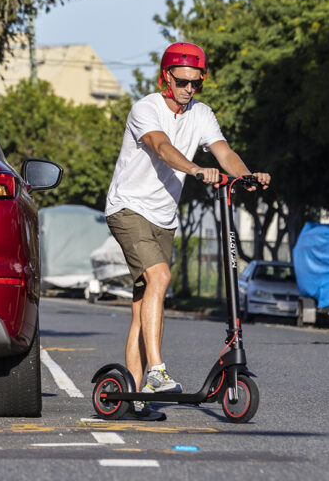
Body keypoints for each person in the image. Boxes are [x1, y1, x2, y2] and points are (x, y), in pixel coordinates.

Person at [104, 41, 270, 407]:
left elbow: (223, 151)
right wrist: (196, 169)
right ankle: (156, 372)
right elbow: (161, 146)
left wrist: (246, 176)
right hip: (128, 208)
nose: (189, 90)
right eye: (183, 82)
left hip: (164, 217)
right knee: (160, 277)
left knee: (143, 304)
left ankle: (134, 396)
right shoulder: (145, 109)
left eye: (196, 83)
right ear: (166, 77)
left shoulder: (201, 113)